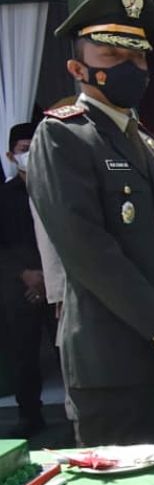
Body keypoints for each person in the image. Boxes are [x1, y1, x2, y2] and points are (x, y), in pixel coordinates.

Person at [26, 0, 154, 446]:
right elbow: (88, 252)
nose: (131, 69)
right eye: (112, 57)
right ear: (78, 68)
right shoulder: (62, 138)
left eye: (138, 58)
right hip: (113, 367)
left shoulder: (147, 143)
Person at [0, 123, 52, 437]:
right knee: (23, 353)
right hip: (18, 286)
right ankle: (29, 414)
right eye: (23, 149)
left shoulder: (57, 190)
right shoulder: (4, 196)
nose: (29, 154)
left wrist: (48, 277)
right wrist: (26, 275)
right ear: (10, 155)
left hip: (57, 282)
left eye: (35, 147)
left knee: (67, 350)